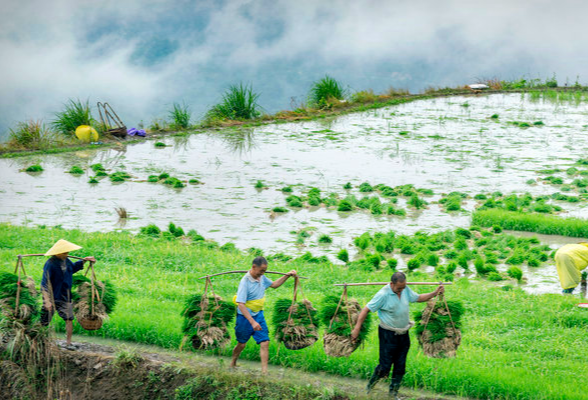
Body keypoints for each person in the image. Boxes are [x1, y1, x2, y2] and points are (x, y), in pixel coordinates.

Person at [351, 272, 444, 399]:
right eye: (399, 288)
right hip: (387, 334)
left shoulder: (405, 289)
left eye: (403, 287)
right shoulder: (382, 295)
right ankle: (370, 388)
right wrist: (357, 328)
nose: (401, 290)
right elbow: (366, 310)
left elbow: (418, 298)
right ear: (391, 284)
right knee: (385, 366)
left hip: (403, 334)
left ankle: (393, 394)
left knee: (400, 366)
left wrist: (434, 293)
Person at [230, 256, 296, 374]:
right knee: (242, 343)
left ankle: (264, 372)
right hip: (245, 318)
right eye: (261, 270)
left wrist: (287, 275)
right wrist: (252, 322)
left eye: (264, 271)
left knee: (265, 342)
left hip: (259, 315)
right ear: (254, 267)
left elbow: (274, 285)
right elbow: (240, 304)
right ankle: (233, 362)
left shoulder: (261, 277)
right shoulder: (245, 282)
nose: (263, 273)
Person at [40, 239, 96, 347]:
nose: (67, 255)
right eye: (64, 253)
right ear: (57, 252)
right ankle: (39, 339)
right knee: (44, 321)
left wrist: (84, 261)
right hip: (52, 296)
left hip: (65, 296)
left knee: (69, 318)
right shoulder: (50, 264)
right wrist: (47, 301)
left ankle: (68, 343)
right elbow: (44, 284)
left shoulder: (66, 261)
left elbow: (73, 268)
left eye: (67, 252)